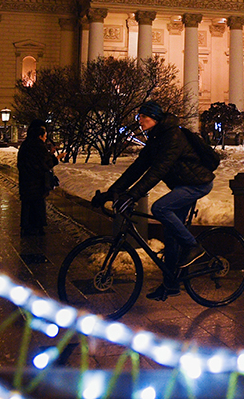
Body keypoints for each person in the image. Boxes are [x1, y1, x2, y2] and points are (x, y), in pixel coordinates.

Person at [92, 101, 216, 301]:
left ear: (155, 117)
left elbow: (158, 170)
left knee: (160, 208)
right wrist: (111, 192)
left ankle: (194, 247)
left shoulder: (172, 136)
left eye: (143, 117)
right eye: (139, 117)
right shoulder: (156, 138)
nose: (140, 121)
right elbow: (138, 167)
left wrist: (134, 195)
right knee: (171, 233)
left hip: (197, 184)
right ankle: (171, 284)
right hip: (182, 185)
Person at [17, 119, 58, 236]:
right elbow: (45, 164)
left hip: (26, 181)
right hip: (37, 183)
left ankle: (26, 226)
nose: (45, 137)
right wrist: (56, 158)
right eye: (44, 135)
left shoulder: (25, 145)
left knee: (27, 205)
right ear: (40, 135)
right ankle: (36, 228)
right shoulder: (38, 146)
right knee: (38, 205)